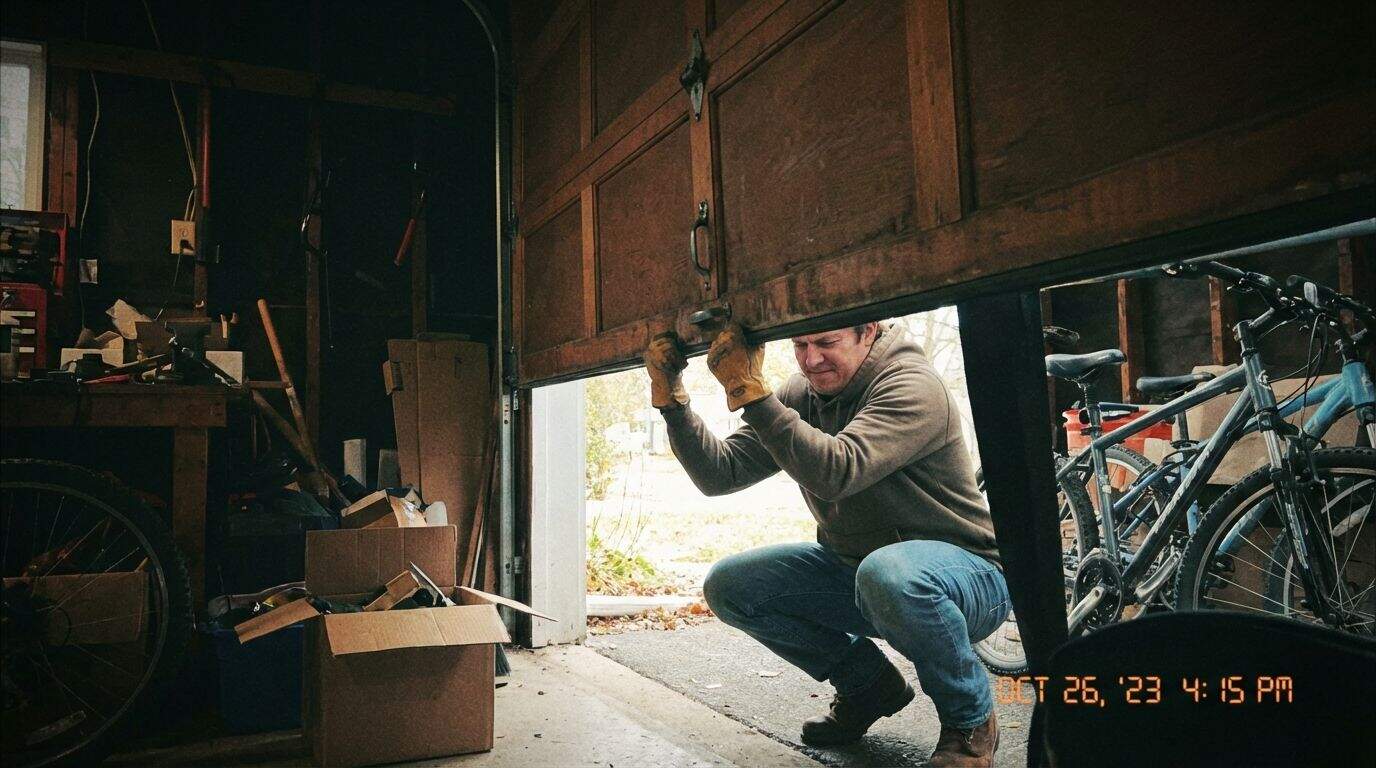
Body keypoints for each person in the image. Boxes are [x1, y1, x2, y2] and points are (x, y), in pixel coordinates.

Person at [644, 320, 1008, 767]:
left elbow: (837, 472)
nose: (811, 358)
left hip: (968, 577)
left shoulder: (911, 385)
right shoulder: (803, 392)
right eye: (800, 344)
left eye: (827, 343)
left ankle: (969, 722)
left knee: (888, 573)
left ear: (868, 332)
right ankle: (867, 685)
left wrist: (752, 395)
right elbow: (721, 473)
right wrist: (672, 402)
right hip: (862, 573)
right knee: (731, 585)